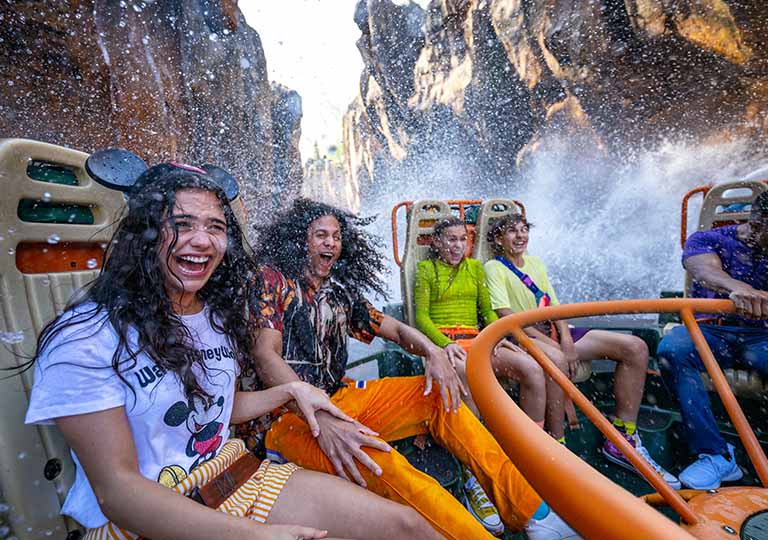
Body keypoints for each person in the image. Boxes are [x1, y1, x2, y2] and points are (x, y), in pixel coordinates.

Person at [24, 162, 435, 540]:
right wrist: (253, 536)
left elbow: (210, 407)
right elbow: (118, 492)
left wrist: (291, 394)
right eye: (181, 224)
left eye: (215, 227)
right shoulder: (85, 337)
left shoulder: (213, 317)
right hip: (150, 519)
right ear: (145, 233)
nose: (201, 240)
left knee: (408, 527)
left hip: (238, 476)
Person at [237, 198, 582, 540]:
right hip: (286, 420)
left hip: (338, 399)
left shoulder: (338, 291)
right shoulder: (272, 281)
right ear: (301, 239)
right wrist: (320, 416)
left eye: (337, 236)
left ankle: (533, 513)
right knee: (382, 460)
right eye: (321, 235)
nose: (331, 243)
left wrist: (433, 351)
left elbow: (395, 329)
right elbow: (267, 356)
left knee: (437, 396)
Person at [484, 213, 680, 489]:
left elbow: (554, 305)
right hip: (523, 334)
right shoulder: (494, 267)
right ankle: (556, 443)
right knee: (555, 360)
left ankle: (623, 438)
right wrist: (557, 348)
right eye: (511, 232)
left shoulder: (536, 263)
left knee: (634, 348)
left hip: (552, 331)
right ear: (498, 239)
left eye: (523, 229)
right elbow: (504, 313)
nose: (520, 236)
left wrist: (564, 338)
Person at [413, 217, 548, 535]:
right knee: (470, 377)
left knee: (531, 369)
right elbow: (421, 318)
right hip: (443, 344)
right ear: (436, 243)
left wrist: (497, 334)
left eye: (462, 239)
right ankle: (475, 474)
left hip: (477, 339)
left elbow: (487, 313)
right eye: (450, 240)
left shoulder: (475, 270)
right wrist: (445, 345)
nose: (457, 246)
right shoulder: (426, 271)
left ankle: (530, 451)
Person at [657, 191, 768, 490]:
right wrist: (737, 288)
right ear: (757, 226)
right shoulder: (709, 239)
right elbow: (704, 270)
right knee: (672, 350)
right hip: (712, 330)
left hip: (761, 337)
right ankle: (716, 455)